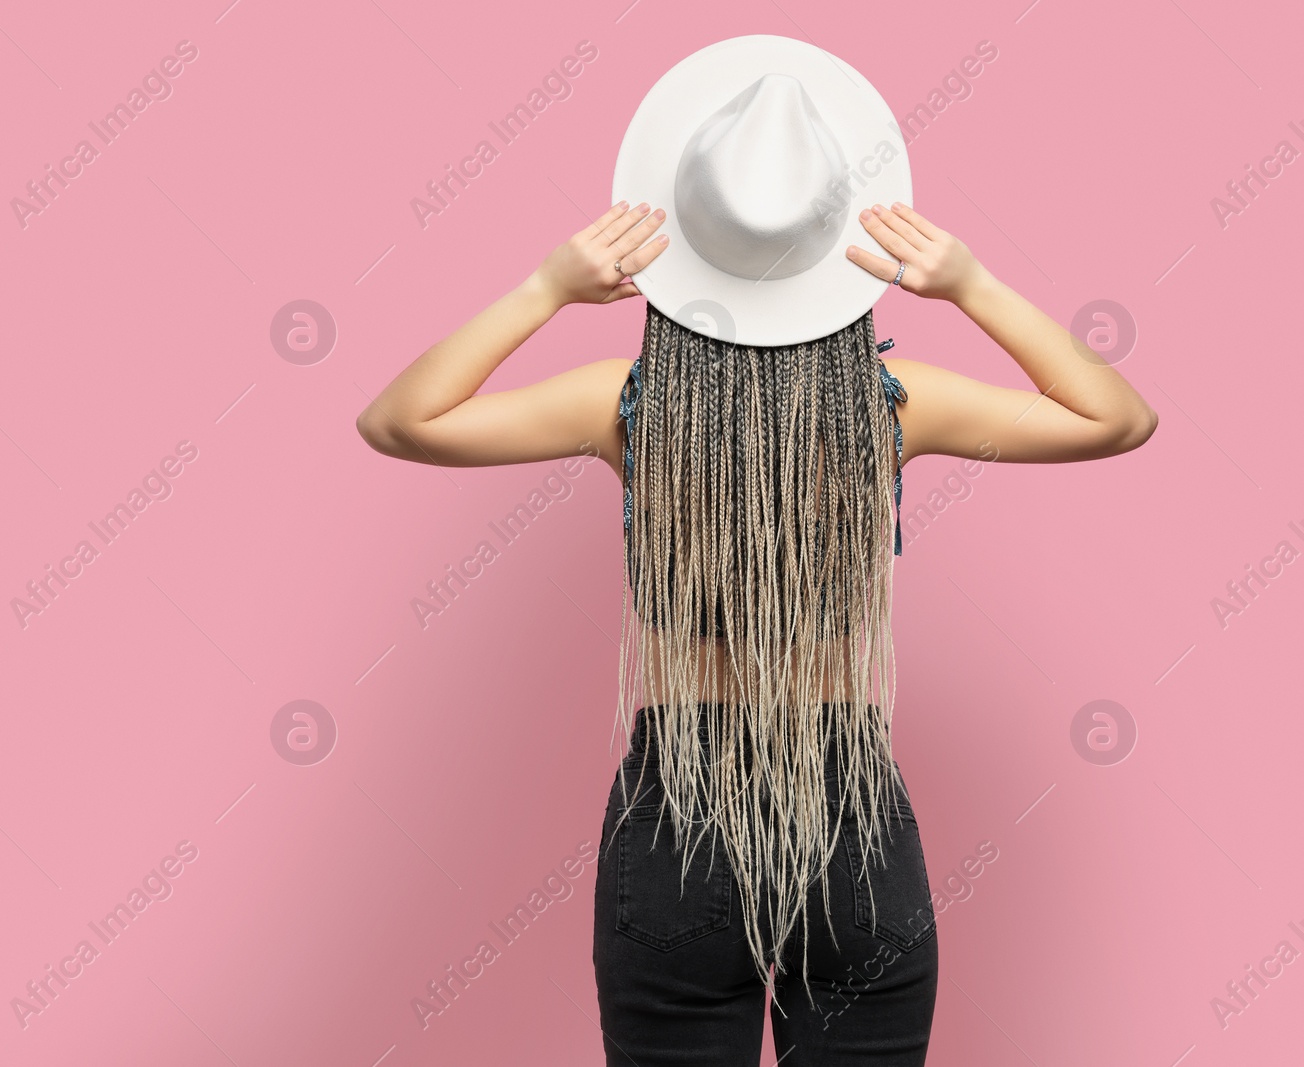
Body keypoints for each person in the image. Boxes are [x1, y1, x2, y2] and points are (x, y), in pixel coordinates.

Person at [357, 40, 1156, 1067]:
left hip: (675, 814)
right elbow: (1114, 418)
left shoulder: (627, 405)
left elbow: (401, 421)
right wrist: (968, 282)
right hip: (849, 819)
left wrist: (546, 285)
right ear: (831, 252)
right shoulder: (888, 410)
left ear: (687, 244)